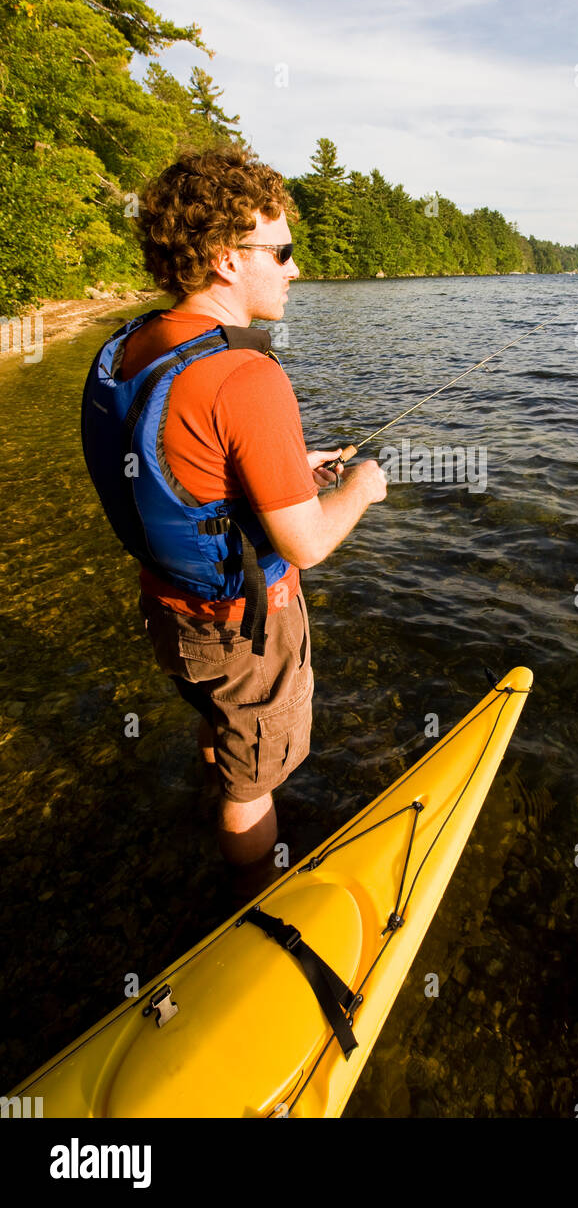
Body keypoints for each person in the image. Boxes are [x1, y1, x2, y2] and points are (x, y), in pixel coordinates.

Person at [81, 147, 387, 895]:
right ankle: (252, 908)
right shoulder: (248, 376)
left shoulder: (131, 345)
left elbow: (178, 460)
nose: (293, 269)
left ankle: (225, 783)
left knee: (227, 726)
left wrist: (280, 470)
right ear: (226, 259)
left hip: (170, 609)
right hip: (238, 625)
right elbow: (307, 543)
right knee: (253, 785)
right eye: (280, 251)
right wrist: (364, 488)